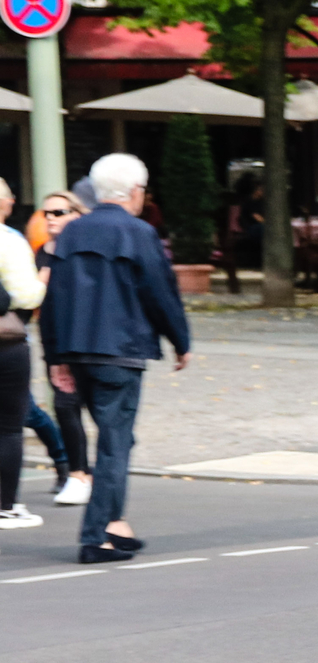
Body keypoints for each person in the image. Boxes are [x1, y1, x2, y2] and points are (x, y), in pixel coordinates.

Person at [38, 153, 190, 564]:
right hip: (119, 351)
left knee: (117, 440)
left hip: (75, 350)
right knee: (114, 443)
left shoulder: (69, 233)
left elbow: (52, 298)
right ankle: (95, 538)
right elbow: (161, 292)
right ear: (136, 192)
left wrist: (54, 356)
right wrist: (181, 340)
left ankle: (116, 524)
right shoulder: (139, 233)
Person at [32, 190, 89, 505]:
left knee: (93, 408)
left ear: (76, 214)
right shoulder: (44, 252)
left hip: (86, 342)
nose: (50, 218)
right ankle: (78, 473)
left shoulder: (84, 250)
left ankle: (88, 473)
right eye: (47, 213)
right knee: (66, 407)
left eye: (58, 212)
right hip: (54, 342)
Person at [0, 175, 46, 530]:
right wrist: (43, 281)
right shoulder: (10, 241)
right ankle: (6, 505)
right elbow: (27, 296)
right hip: (6, 343)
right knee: (8, 428)